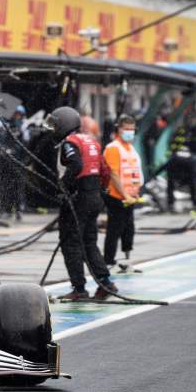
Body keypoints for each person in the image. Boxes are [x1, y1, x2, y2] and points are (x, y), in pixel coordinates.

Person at [46, 106, 119, 301]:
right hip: (94, 195)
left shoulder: (69, 143)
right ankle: (106, 283)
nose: (53, 130)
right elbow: (105, 170)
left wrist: (65, 187)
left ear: (64, 124)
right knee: (89, 242)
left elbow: (76, 165)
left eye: (55, 125)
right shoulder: (92, 141)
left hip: (79, 198)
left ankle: (79, 289)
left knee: (71, 243)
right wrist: (99, 191)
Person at [103, 115, 143, 272]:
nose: (130, 132)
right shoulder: (113, 148)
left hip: (130, 197)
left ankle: (127, 261)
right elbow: (113, 173)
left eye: (132, 129)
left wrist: (134, 192)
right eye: (126, 129)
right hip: (116, 196)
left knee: (129, 229)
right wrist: (124, 194)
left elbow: (134, 172)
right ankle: (109, 261)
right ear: (118, 129)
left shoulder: (131, 148)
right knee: (114, 229)